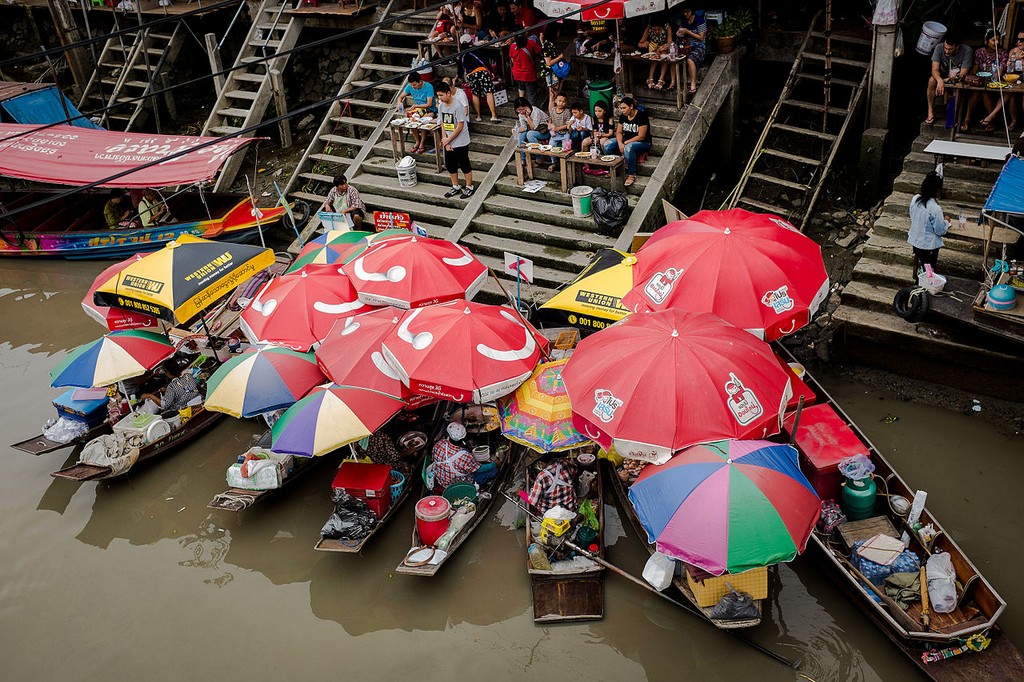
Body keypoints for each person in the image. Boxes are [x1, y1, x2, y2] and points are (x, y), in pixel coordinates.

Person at [435, 81, 476, 199]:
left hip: (460, 140)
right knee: (450, 164)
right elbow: (442, 122)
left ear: (448, 93)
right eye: (438, 95)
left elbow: (460, 126)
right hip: (448, 139)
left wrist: (448, 140)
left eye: (442, 95)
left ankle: (469, 186)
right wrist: (444, 139)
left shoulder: (458, 106)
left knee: (464, 163)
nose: (440, 98)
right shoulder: (442, 106)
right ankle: (455, 185)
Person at [963, 29, 1008, 132]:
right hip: (980, 82)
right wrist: (974, 75)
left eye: (998, 40)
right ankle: (967, 119)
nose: (996, 43)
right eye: (993, 40)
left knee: (984, 93)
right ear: (986, 41)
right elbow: (975, 70)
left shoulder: (1002, 54)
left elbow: (1000, 73)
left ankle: (991, 121)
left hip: (994, 82)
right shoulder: (979, 52)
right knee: (976, 93)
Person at [907, 170, 950, 276]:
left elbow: (912, 215)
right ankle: (926, 284)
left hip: (916, 240)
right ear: (938, 190)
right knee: (929, 270)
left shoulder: (915, 199)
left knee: (923, 265)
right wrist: (946, 221)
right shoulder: (935, 208)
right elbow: (940, 231)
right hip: (928, 245)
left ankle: (920, 279)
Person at [603, 97, 651, 187]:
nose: (623, 110)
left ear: (631, 106)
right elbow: (619, 132)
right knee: (607, 145)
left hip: (643, 142)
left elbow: (641, 136)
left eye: (624, 108)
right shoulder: (623, 116)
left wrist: (626, 143)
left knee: (629, 148)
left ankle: (631, 174)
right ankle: (616, 169)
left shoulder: (641, 116)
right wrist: (620, 143)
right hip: (626, 140)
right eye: (621, 108)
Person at [926, 34, 973, 125]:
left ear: (957, 47)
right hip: (942, 74)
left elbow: (963, 74)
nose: (946, 51)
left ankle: (953, 117)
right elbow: (934, 70)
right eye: (945, 48)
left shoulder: (967, 50)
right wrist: (940, 80)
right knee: (932, 80)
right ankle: (930, 111)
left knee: (958, 89)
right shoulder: (939, 48)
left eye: (950, 49)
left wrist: (946, 80)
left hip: (958, 76)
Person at [432, 422, 480, 491]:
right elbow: (475, 469)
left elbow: (434, 458)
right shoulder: (464, 456)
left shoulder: (439, 444)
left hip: (441, 481)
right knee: (490, 472)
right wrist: (493, 465)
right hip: (459, 485)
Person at [460, 50, 500, 122]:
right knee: (489, 92)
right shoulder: (478, 50)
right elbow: (485, 61)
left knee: (475, 94)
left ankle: (478, 116)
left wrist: (460, 78)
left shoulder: (462, 55)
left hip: (471, 74)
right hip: (482, 71)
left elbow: (460, 69)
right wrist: (491, 71)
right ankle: (493, 115)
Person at [402, 73, 436, 154]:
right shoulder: (410, 86)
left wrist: (415, 105)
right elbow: (400, 96)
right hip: (418, 110)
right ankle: (417, 141)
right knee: (412, 119)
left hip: (430, 110)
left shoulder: (428, 86)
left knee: (422, 120)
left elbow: (429, 104)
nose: (413, 87)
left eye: (414, 85)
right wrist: (399, 103)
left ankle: (422, 143)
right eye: (411, 85)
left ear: (420, 82)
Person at [675, 6, 707, 94]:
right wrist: (680, 33)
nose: (685, 14)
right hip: (688, 45)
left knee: (690, 58)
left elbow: (701, 38)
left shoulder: (699, 20)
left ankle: (693, 83)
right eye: (684, 12)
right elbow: (681, 36)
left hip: (700, 46)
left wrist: (688, 32)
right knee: (675, 57)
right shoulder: (683, 21)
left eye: (687, 12)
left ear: (691, 11)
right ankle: (675, 83)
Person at [512, 96, 550, 166]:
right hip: (535, 131)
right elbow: (524, 127)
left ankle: (539, 157)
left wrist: (527, 116)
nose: (521, 111)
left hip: (545, 131)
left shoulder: (536, 112)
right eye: (518, 110)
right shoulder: (521, 114)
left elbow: (533, 127)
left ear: (527, 106)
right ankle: (523, 158)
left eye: (522, 109)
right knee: (522, 135)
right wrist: (516, 130)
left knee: (530, 134)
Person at [639, 16, 673, 91]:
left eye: (659, 29)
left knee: (663, 54)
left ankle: (661, 79)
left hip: (664, 48)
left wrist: (664, 47)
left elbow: (670, 42)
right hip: (653, 48)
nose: (656, 32)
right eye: (654, 30)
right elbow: (640, 43)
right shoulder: (648, 28)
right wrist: (644, 44)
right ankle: (650, 77)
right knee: (654, 55)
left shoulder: (667, 27)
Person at [509, 34, 542, 107]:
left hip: (517, 73)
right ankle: (532, 111)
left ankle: (521, 108)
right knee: (531, 94)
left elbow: (512, 59)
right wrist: (541, 40)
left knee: (521, 89)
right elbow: (539, 51)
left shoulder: (512, 46)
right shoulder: (531, 43)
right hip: (528, 74)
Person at [546, 93, 572, 169]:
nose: (561, 103)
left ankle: (565, 163)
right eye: (559, 101)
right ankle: (554, 162)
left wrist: (558, 128)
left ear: (566, 103)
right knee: (551, 146)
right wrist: (549, 124)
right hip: (555, 134)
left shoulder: (567, 112)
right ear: (555, 101)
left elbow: (567, 125)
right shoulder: (553, 110)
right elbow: (550, 120)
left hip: (565, 133)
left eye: (563, 101)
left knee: (566, 148)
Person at [539, 34, 565, 103]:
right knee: (553, 96)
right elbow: (549, 63)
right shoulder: (548, 45)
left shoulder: (545, 44)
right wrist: (560, 57)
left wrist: (541, 40)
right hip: (551, 73)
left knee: (553, 95)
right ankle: (552, 112)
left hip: (552, 72)